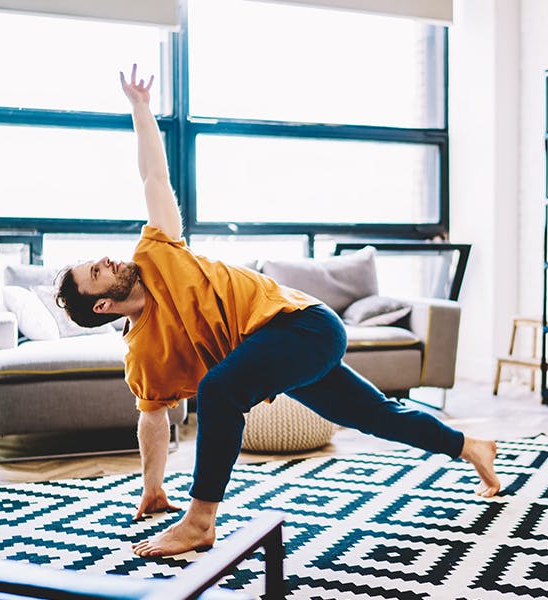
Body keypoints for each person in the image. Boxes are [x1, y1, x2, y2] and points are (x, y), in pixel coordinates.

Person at [56, 65, 501, 558]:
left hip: (304, 325)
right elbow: (154, 419)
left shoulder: (157, 250)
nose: (103, 260)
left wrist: (140, 108)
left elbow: (153, 176)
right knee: (379, 416)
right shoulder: (141, 353)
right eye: (95, 272)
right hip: (284, 350)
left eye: (95, 261)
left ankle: (200, 520)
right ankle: (472, 448)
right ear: (103, 304)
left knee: (219, 389)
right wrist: (151, 486)